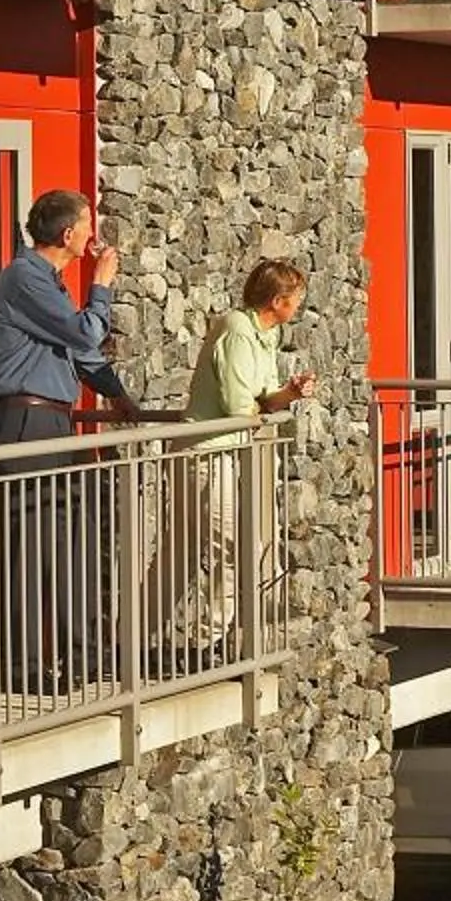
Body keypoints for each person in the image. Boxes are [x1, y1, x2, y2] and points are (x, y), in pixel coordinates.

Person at [0, 189, 132, 691]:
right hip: (24, 423)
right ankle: (22, 671)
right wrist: (103, 285)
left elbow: (82, 356)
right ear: (68, 235)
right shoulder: (24, 279)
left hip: (53, 424)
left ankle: (83, 659)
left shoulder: (47, 283)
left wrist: (119, 397)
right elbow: (85, 334)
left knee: (74, 542)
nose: (94, 234)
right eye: (89, 225)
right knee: (29, 549)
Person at [160, 261, 318, 668]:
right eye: (295, 297)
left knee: (186, 552)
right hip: (206, 452)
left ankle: (149, 640)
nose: (299, 304)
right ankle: (200, 643)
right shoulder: (236, 330)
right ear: (277, 300)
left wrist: (290, 393)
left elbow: (263, 399)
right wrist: (260, 409)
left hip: (220, 452)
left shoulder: (267, 334)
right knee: (235, 548)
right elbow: (236, 406)